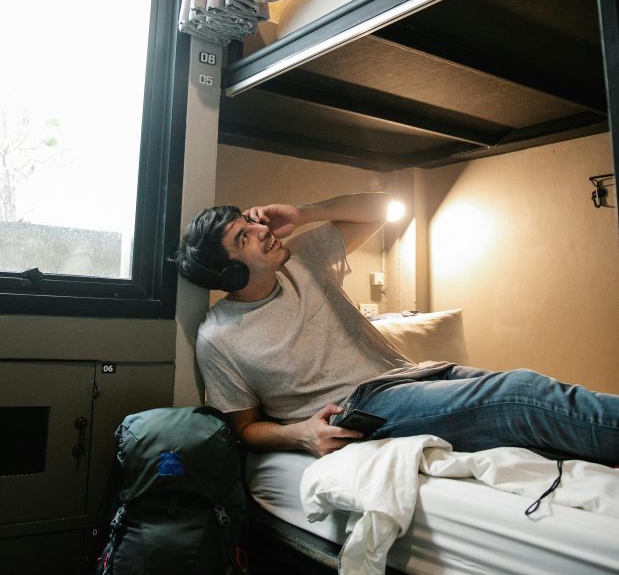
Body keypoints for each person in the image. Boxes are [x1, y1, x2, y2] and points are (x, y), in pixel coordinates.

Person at [173, 193, 619, 464]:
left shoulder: (303, 259)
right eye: (243, 237)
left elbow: (382, 207)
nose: (259, 229)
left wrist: (305, 211)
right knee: (520, 396)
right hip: (360, 407)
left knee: (536, 394)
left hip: (416, 375)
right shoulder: (219, 338)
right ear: (229, 274)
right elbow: (244, 427)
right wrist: (301, 433)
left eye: (249, 222)